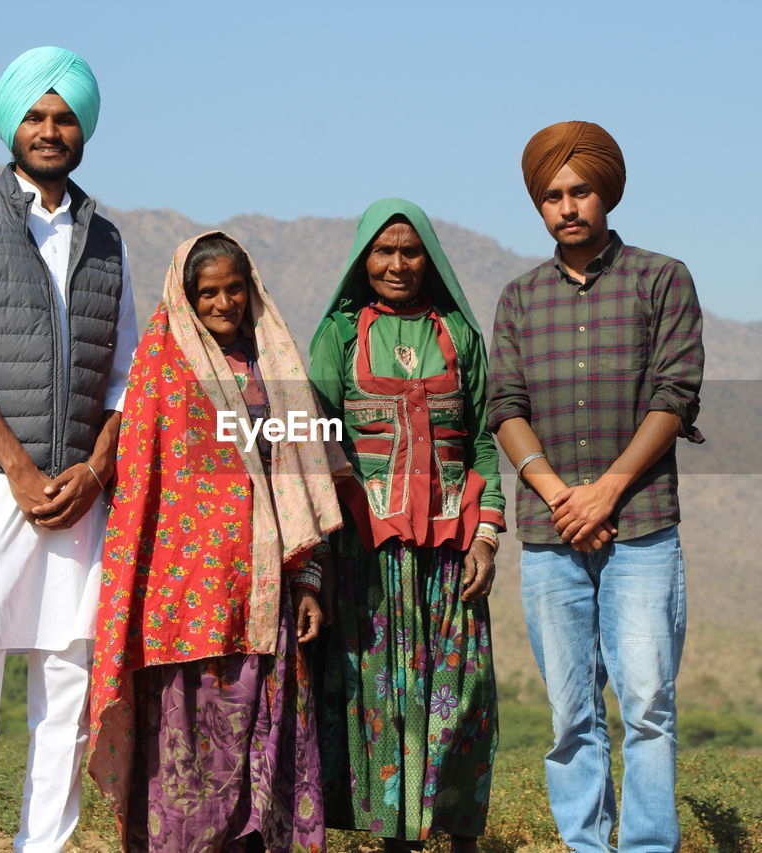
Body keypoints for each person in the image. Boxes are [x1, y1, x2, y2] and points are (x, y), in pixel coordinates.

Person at [0, 46, 137, 852]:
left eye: (65, 117)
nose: (50, 130)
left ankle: (42, 844)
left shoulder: (108, 241)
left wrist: (94, 467)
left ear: (85, 131)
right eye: (37, 116)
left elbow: (125, 373)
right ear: (12, 122)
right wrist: (17, 466)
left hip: (79, 492)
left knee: (68, 677)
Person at [486, 121, 704, 852]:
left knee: (647, 704)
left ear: (605, 193)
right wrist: (560, 496)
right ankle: (583, 844)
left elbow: (675, 394)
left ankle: (645, 845)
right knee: (568, 712)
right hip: (551, 535)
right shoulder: (519, 299)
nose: (567, 206)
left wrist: (606, 491)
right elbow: (505, 408)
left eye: (580, 191)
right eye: (552, 195)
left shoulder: (661, 278)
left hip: (642, 527)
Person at [88, 233, 345, 852]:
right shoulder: (161, 365)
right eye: (208, 292)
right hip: (182, 602)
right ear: (185, 296)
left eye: (235, 289)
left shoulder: (273, 365)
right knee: (188, 752)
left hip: (264, 590)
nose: (224, 303)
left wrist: (308, 576)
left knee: (266, 739)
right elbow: (143, 483)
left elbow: (295, 478)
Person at [309, 199, 505, 853]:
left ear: (430, 259)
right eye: (384, 250)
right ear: (364, 259)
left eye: (410, 250)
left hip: (452, 553)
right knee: (385, 695)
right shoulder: (339, 335)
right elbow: (317, 437)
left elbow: (482, 442)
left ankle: (460, 837)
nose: (397, 263)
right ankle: (395, 837)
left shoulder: (460, 335)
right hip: (370, 556)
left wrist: (487, 533)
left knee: (462, 691)